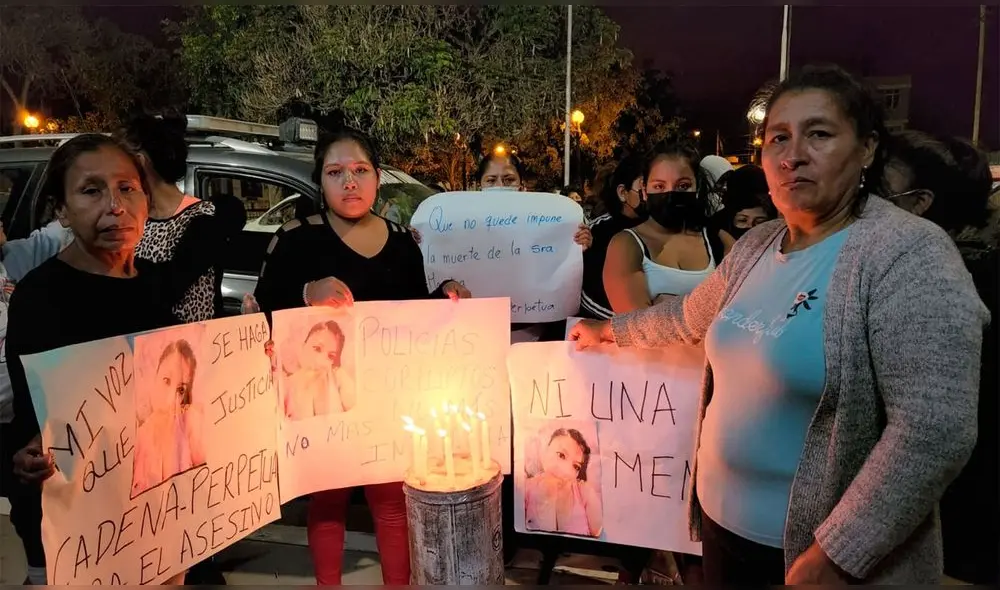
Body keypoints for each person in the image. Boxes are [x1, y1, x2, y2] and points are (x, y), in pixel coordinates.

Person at [569, 64, 988, 584]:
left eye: (819, 134)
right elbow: (687, 317)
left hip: (820, 562)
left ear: (867, 148)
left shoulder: (910, 255)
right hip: (724, 531)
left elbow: (933, 430)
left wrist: (838, 555)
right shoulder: (756, 246)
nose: (793, 156)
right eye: (778, 139)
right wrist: (610, 331)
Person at [252, 126, 471, 585]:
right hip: (324, 404)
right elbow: (261, 311)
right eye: (335, 172)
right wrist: (306, 292)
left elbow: (413, 313)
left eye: (360, 170)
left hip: (389, 405)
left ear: (376, 177)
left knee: (391, 502)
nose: (349, 182)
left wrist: (445, 295)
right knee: (329, 499)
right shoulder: (295, 239)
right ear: (320, 181)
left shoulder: (402, 242)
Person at [6, 134, 180, 584]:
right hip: (73, 529)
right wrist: (25, 455)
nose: (115, 205)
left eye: (127, 188)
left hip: (160, 511)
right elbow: (32, 420)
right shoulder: (39, 297)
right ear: (61, 209)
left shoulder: (160, 285)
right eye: (91, 190)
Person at [882, 130, 998, 585]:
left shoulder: (942, 283)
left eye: (876, 191)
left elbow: (935, 433)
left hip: (950, 526)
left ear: (920, 202)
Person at [603, 142, 735, 314]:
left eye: (683, 186)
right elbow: (637, 327)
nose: (671, 194)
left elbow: (740, 314)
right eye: (659, 186)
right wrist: (709, 308)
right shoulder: (626, 245)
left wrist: (666, 307)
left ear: (697, 188)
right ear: (644, 190)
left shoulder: (720, 242)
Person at [121, 113, 226, 322]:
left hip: (190, 348)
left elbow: (168, 288)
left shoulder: (202, 217)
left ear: (140, 162)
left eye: (119, 160)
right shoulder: (131, 219)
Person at [132, 339, 206, 496]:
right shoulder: (137, 440)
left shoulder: (190, 426)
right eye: (166, 381)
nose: (170, 398)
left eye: (180, 390)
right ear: (155, 375)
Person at [580, 155, 646, 319]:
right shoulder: (597, 230)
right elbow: (591, 291)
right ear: (623, 192)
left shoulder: (663, 228)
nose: (650, 195)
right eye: (644, 187)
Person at [525, 428, 602, 538]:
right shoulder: (526, 489)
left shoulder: (585, 493)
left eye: (576, 466)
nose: (566, 470)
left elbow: (601, 539)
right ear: (545, 452)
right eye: (561, 455)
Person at [281, 320, 354, 419]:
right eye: (317, 349)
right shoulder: (287, 386)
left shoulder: (338, 378)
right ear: (303, 346)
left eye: (330, 356)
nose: (321, 360)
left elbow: (359, 411)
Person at [710, 164, 778, 239]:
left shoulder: (780, 237)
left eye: (759, 222)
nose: (750, 228)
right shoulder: (714, 235)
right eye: (742, 220)